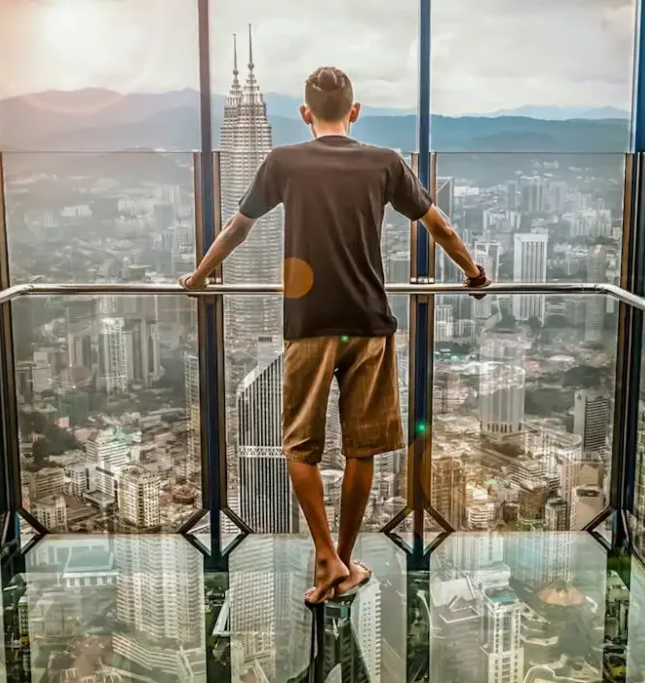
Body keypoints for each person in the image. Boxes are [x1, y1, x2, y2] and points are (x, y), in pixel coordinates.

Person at [180, 66, 491, 604]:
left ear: (305, 114)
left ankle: (324, 555)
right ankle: (344, 562)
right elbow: (437, 223)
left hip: (308, 325)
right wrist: (473, 272)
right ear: (355, 111)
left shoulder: (283, 162)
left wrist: (200, 275)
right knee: (361, 448)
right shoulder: (385, 162)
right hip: (368, 324)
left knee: (300, 446)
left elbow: (239, 226)